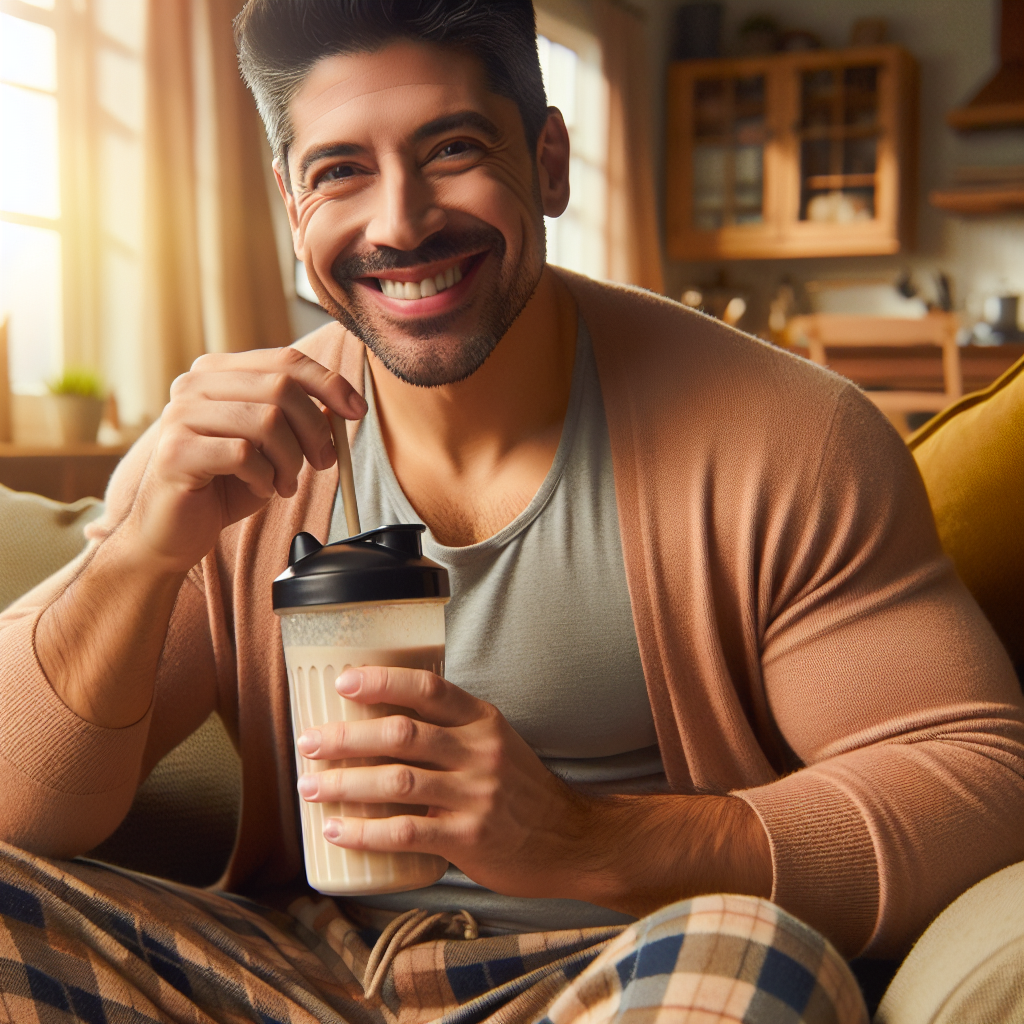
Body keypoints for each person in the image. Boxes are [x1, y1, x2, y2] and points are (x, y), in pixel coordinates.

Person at [0, 2, 1021, 1021]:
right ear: (290, 199)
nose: (399, 222)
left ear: (549, 161)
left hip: (621, 968)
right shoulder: (229, 446)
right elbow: (17, 808)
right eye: (339, 169)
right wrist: (134, 554)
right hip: (298, 970)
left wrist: (584, 838)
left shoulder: (788, 436)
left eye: (450, 148)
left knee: (756, 954)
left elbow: (977, 780)